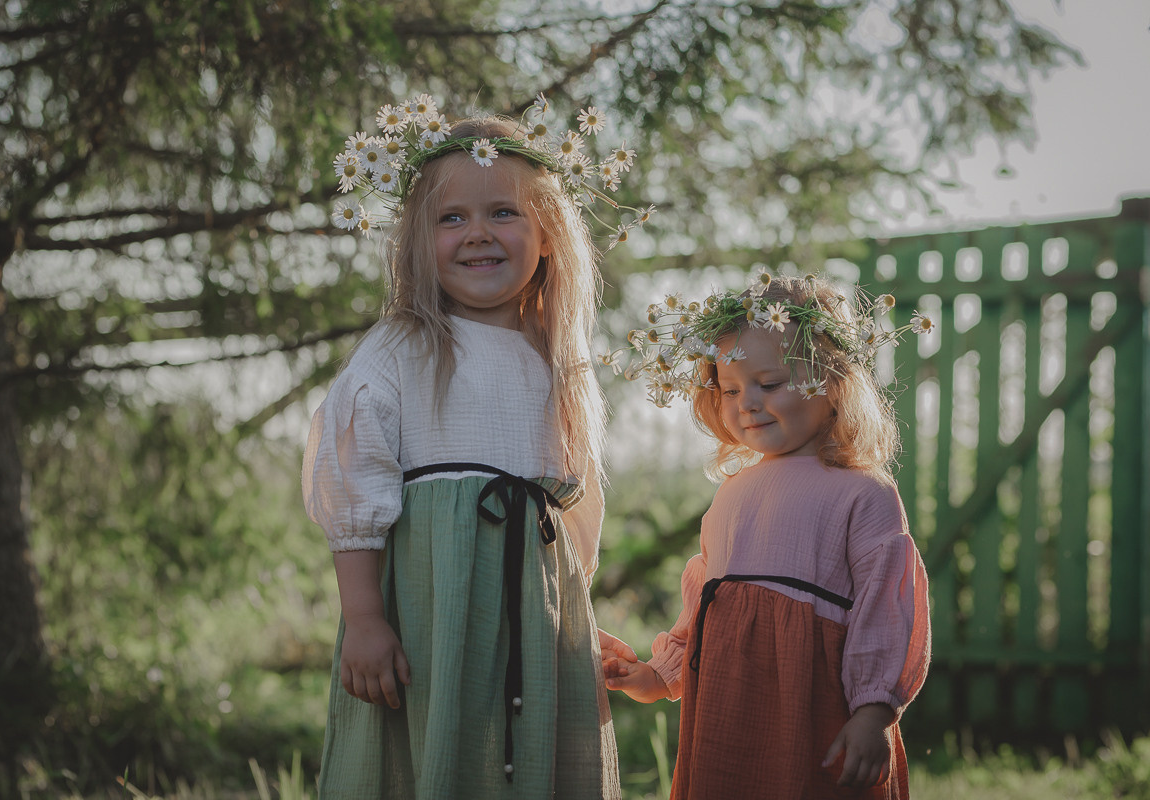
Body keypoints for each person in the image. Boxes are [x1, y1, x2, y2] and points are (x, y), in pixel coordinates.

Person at [303, 98, 642, 799]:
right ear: (416, 241)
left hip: (534, 608)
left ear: (547, 233)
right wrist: (365, 619)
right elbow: (353, 482)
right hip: (433, 604)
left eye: (503, 213)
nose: (477, 234)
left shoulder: (556, 362)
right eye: (451, 218)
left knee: (534, 762)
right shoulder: (400, 350)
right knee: (442, 752)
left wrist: (575, 617)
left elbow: (574, 511)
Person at [602, 274, 932, 798]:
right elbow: (706, 609)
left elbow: (887, 609)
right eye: (730, 389)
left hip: (813, 711)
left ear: (833, 383)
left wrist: (874, 711)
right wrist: (659, 675)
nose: (747, 403)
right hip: (725, 711)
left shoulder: (862, 493)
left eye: (770, 384)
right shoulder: (732, 495)